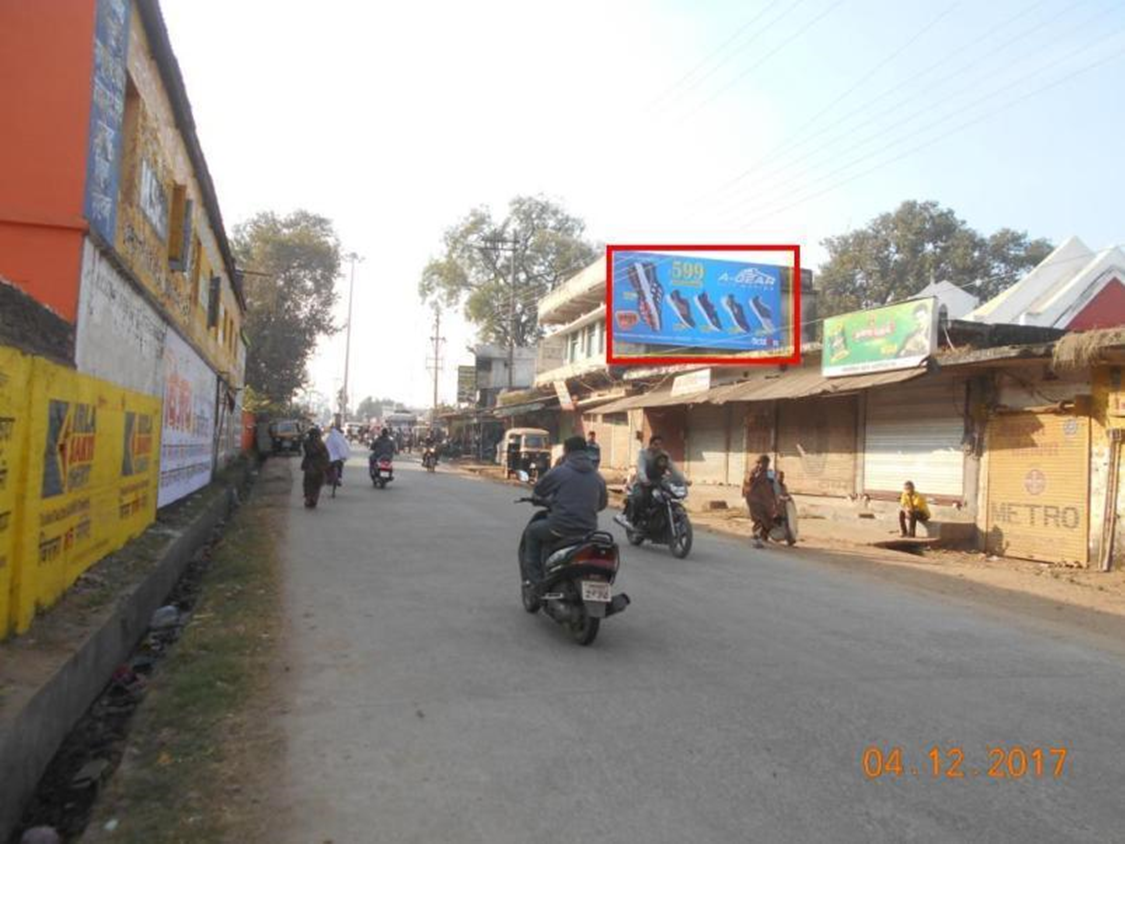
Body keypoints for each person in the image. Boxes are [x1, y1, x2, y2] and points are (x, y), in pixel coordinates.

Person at [523, 435, 608, 590]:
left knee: (532, 532)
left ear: (566, 451)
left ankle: (535, 581)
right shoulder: (598, 477)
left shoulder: (560, 471)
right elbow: (602, 504)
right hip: (588, 531)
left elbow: (539, 490)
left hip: (560, 527)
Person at [743, 454, 779, 548]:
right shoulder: (753, 472)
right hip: (754, 500)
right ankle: (757, 538)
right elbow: (748, 482)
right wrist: (754, 474)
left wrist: (776, 499)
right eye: (759, 463)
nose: (761, 465)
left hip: (766, 500)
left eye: (764, 463)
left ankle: (763, 536)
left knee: (767, 519)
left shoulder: (770, 473)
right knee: (759, 519)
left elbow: (774, 486)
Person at [300, 427, 331, 508]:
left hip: (311, 466)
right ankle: (312, 499)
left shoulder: (307, 443)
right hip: (317, 467)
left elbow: (325, 455)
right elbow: (326, 456)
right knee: (315, 484)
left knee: (309, 484)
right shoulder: (320, 444)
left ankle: (310, 499)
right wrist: (326, 465)